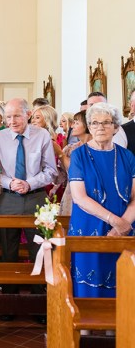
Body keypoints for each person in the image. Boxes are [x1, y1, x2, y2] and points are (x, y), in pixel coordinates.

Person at [0, 98, 57, 323]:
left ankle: (39, 304)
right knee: (8, 250)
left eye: (17, 116)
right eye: (8, 116)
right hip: (8, 198)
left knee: (38, 250)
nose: (12, 121)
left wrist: (31, 183)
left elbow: (50, 171)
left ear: (28, 114)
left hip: (36, 198)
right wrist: (10, 183)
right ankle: (9, 300)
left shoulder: (42, 136)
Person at [68, 102, 135, 298]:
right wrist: (115, 222)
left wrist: (122, 225)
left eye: (107, 122)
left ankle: (116, 327)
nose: (100, 127)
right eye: (95, 123)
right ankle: (85, 326)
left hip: (125, 226)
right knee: (89, 278)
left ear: (115, 127)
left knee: (122, 280)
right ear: (89, 126)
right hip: (89, 224)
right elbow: (79, 197)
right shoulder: (79, 155)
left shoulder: (127, 156)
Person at [59, 110, 91, 215]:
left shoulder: (96, 148)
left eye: (77, 123)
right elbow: (60, 176)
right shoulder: (70, 148)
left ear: (87, 125)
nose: (72, 126)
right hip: (70, 193)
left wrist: (60, 154)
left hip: (90, 194)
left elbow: (75, 171)